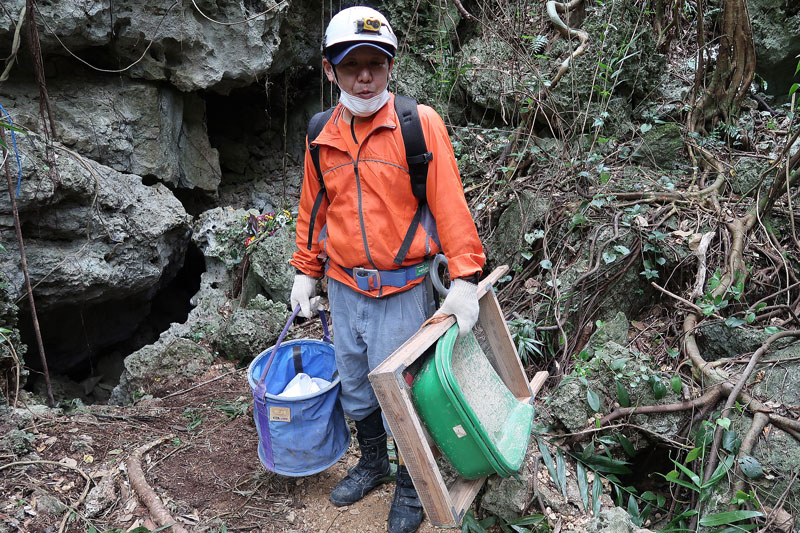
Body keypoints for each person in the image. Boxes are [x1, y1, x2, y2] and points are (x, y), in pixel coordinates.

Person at [289, 6, 485, 533]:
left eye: (376, 62)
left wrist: (464, 280)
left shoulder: (417, 126)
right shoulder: (319, 134)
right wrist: (306, 272)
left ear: (391, 65)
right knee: (354, 387)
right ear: (331, 69)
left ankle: (411, 483)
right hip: (344, 286)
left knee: (404, 390)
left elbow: (450, 205)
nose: (366, 76)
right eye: (353, 65)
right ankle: (374, 463)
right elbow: (315, 210)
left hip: (403, 289)